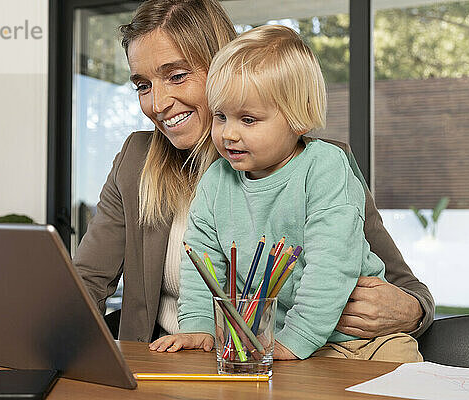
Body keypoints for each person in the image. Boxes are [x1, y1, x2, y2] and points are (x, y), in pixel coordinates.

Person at [0, 0, 433, 360]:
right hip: (175, 367)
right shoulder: (136, 158)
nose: (157, 103)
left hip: (287, 364)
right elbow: (85, 285)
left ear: (226, 67)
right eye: (143, 84)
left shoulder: (319, 165)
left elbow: (408, 288)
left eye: (177, 75)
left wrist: (407, 311)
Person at [149, 25, 423, 362]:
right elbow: (201, 266)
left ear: (298, 118)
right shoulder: (215, 181)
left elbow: (331, 264)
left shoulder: (325, 167)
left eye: (248, 119)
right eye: (220, 116)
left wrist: (296, 339)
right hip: (279, 345)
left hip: (360, 341)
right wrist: (201, 327)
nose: (228, 133)